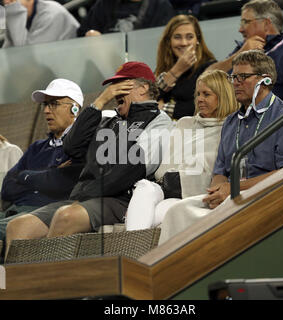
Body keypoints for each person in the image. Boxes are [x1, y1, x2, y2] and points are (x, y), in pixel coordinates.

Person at [5, 61, 173, 256]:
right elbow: (72, 147)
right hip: (86, 197)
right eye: (113, 86)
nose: (115, 90)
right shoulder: (108, 119)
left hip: (121, 198)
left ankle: (50, 284)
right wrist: (99, 102)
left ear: (143, 88)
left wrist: (90, 192)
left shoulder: (158, 121)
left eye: (123, 84)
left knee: (66, 216)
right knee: (18, 228)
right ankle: (17, 286)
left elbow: (133, 168)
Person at [158, 50, 283, 244]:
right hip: (231, 195)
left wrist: (234, 188)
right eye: (234, 77)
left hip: (267, 195)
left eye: (243, 77)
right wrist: (217, 191)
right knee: (176, 212)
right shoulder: (232, 121)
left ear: (265, 80)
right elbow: (220, 170)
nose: (236, 82)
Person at [126, 70, 239, 231]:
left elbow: (209, 173)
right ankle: (130, 251)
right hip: (165, 186)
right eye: (198, 94)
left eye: (207, 94)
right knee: (144, 187)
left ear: (223, 97)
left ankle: (130, 251)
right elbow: (164, 168)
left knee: (159, 213)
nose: (200, 99)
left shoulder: (230, 129)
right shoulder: (184, 123)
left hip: (195, 196)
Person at [0, 78, 85, 240]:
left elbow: (62, 185)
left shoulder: (80, 145)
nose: (46, 110)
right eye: (45, 105)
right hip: (13, 210)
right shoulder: (37, 147)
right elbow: (7, 187)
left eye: (54, 104)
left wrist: (25, 176)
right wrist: (48, 174)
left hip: (41, 213)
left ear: (74, 109)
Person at [206, 0, 283, 105]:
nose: (240, 29)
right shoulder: (242, 49)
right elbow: (207, 78)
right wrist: (240, 53)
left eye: (245, 22)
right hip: (234, 118)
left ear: (266, 24)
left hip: (274, 120)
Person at [155, 15, 216, 120]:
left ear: (198, 40)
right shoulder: (162, 68)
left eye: (189, 37)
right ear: (169, 41)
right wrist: (177, 70)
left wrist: (162, 107)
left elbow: (202, 106)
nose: (184, 43)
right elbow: (149, 98)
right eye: (177, 37)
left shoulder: (209, 68)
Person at [2, 0, 79, 48]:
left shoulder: (52, 13)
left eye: (12, 0)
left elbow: (28, 57)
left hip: (68, 67)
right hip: (48, 68)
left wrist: (15, 13)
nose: (7, 2)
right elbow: (9, 53)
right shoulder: (16, 16)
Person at [77, 0, 176, 37]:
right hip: (104, 61)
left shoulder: (160, 6)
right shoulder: (105, 4)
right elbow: (82, 32)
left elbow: (163, 42)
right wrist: (90, 34)